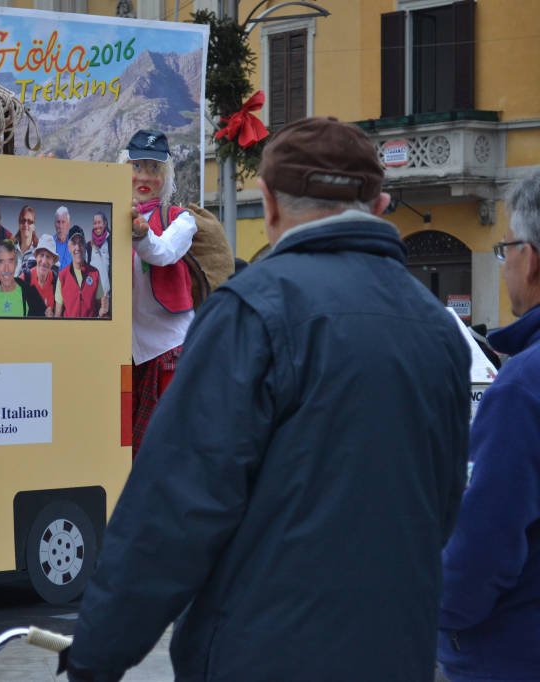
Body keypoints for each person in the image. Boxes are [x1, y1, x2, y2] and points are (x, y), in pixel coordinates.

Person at [62, 117, 470, 682]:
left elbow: (173, 510)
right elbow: (443, 506)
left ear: (270, 205)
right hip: (396, 656)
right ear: (379, 205)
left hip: (262, 655)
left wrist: (94, 656)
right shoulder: (439, 329)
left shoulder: (250, 312)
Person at [436, 171, 540, 682]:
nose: (505, 266)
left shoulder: (523, 385)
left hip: (514, 652)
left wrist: (440, 619)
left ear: (533, 257)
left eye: (506, 250)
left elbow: (482, 547)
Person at [122, 129, 198, 458]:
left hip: (169, 350)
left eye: (154, 168)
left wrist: (140, 234)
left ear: (164, 176)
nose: (144, 176)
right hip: (124, 356)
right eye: (137, 166)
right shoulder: (109, 216)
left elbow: (163, 252)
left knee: (165, 448)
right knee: (124, 451)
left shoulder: (182, 221)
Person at [0, 238, 46, 317]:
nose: (6, 269)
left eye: (10, 262)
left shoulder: (31, 295)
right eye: (1, 262)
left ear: (16, 264)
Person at [55, 225, 108, 318]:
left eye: (81, 243)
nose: (78, 247)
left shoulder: (95, 273)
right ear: (69, 247)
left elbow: (101, 310)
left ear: (85, 245)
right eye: (74, 243)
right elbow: (58, 314)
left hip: (89, 330)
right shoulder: (62, 275)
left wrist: (103, 311)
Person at [26, 233, 59, 317]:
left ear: (53, 261)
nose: (44, 261)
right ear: (36, 256)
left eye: (48, 257)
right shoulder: (25, 278)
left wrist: (53, 317)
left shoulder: (57, 282)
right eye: (41, 255)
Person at [87, 210, 111, 295]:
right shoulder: (89, 246)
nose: (97, 226)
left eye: (99, 222)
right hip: (92, 295)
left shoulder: (111, 243)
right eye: (95, 223)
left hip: (107, 295)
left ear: (105, 223)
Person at [14, 205, 39, 277]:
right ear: (19, 224)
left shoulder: (38, 252)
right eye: (23, 220)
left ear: (34, 226)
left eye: (30, 221)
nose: (25, 224)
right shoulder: (10, 249)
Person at [53, 205, 72, 272]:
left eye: (63, 222)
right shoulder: (49, 243)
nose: (60, 226)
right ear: (55, 224)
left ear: (69, 224)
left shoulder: (74, 245)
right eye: (58, 222)